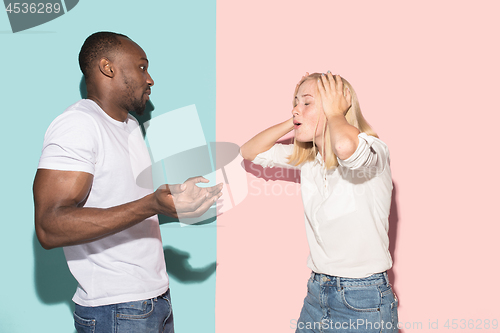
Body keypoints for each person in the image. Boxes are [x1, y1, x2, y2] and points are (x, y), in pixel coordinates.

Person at [33, 31, 222, 333]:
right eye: (142, 67)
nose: (150, 79)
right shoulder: (78, 125)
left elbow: (121, 200)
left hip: (153, 300)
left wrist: (171, 198)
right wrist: (151, 203)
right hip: (115, 309)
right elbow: (48, 226)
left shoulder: (130, 125)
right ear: (108, 68)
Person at [240, 72, 398, 332]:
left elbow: (347, 149)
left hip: (363, 298)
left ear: (335, 107)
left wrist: (335, 114)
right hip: (317, 293)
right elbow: (249, 151)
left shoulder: (374, 150)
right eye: (295, 102)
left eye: (307, 102)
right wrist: (297, 120)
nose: (295, 108)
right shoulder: (309, 160)